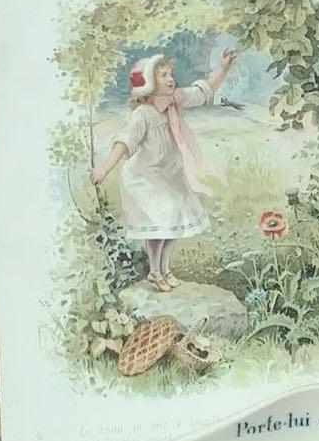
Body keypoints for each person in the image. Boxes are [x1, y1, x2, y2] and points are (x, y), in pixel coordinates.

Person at [91, 49, 237, 292]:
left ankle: (165, 268)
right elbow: (124, 142)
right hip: (145, 177)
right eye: (163, 75)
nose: (170, 79)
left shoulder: (175, 99)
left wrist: (222, 68)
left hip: (170, 175)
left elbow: (204, 91)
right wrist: (103, 170)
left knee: (176, 218)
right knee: (162, 218)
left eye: (170, 74)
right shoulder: (143, 115)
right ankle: (154, 271)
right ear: (150, 83)